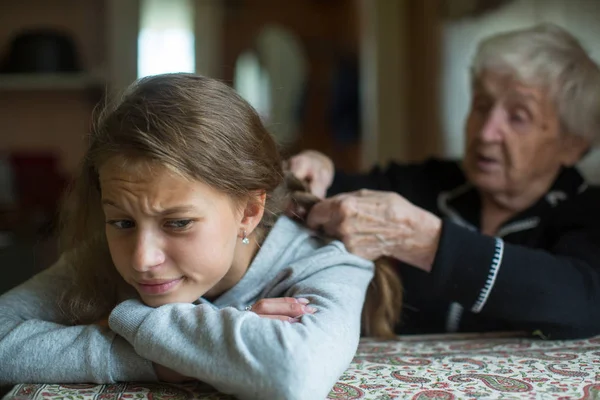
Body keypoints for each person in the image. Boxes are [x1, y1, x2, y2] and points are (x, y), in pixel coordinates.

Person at [0, 73, 385, 400]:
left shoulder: (324, 262)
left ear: (248, 212)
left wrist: (122, 320)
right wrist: (157, 358)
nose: (141, 259)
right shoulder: (100, 256)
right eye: (122, 222)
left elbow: (293, 374)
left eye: (178, 223)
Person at [286, 23, 600, 340]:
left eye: (518, 117)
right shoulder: (431, 182)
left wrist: (425, 241)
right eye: (481, 105)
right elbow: (327, 192)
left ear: (572, 143)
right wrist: (318, 166)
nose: (486, 132)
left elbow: (584, 302)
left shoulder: (587, 210)